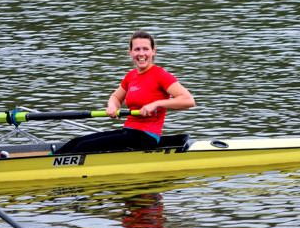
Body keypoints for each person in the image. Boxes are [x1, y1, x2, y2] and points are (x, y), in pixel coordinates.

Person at [53, 31, 195, 155]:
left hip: (147, 137)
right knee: (75, 142)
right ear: (130, 52)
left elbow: (188, 100)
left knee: (84, 146)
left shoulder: (160, 75)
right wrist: (112, 107)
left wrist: (156, 104)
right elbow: (115, 97)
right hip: (128, 131)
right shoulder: (131, 76)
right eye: (137, 49)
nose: (141, 54)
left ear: (153, 51)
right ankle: (48, 161)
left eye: (145, 49)